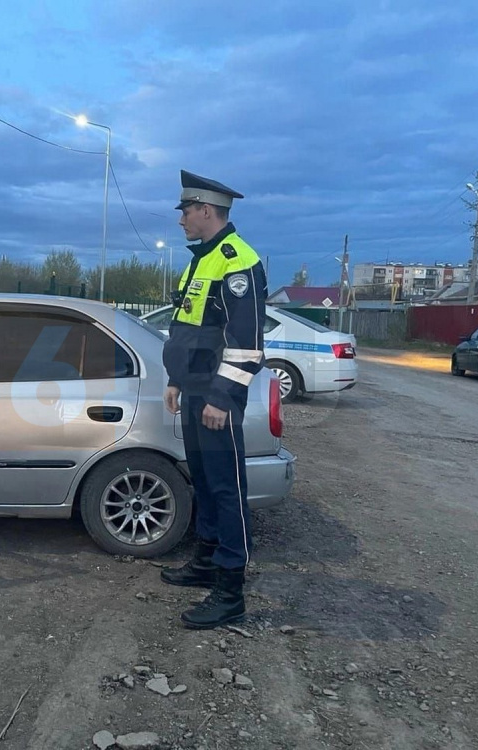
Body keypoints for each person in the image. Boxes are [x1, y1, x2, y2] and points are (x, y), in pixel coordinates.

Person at [160, 170, 268, 629]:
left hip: (217, 397)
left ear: (206, 210)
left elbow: (246, 343)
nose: (181, 218)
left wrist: (222, 398)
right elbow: (190, 330)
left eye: (186, 210)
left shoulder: (237, 262)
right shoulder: (198, 261)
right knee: (204, 481)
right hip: (195, 390)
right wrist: (176, 379)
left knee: (227, 489)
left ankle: (231, 591)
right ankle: (205, 562)